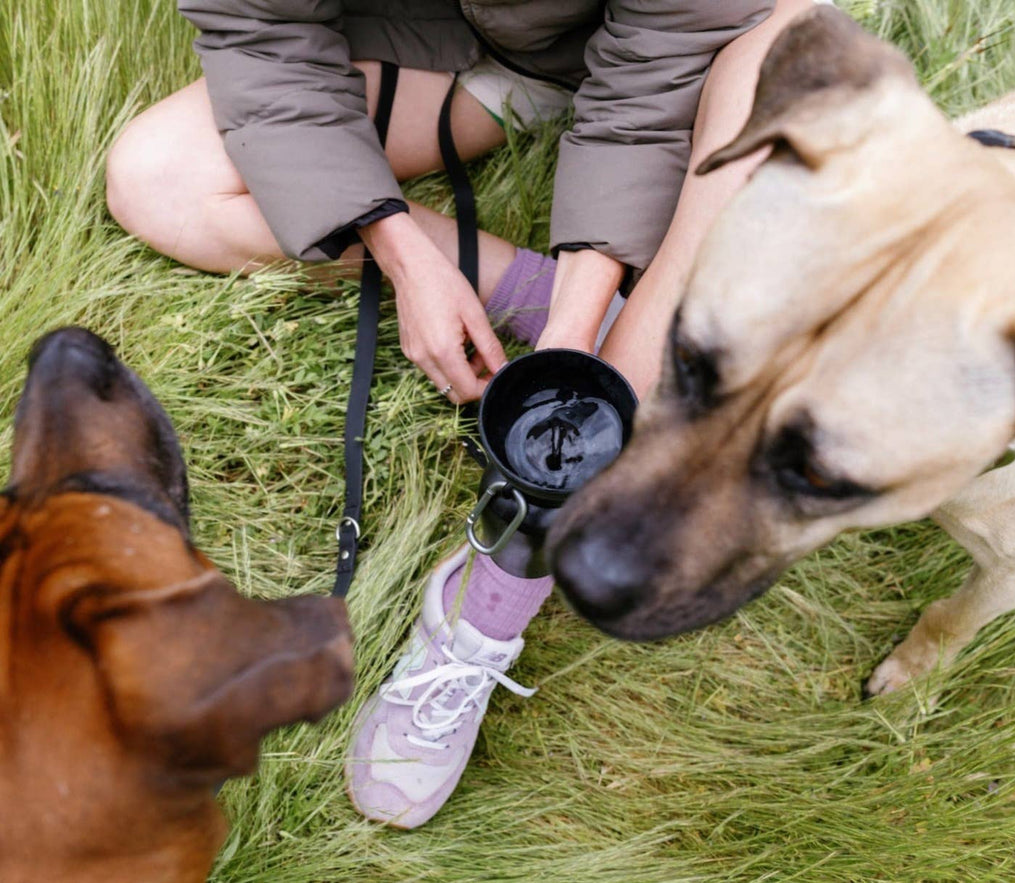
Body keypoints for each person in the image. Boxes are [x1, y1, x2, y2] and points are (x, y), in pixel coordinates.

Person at [106, 0, 815, 829]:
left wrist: (571, 336)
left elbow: (654, 73)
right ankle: (567, 306)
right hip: (461, 46)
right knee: (157, 177)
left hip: (695, 56)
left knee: (793, 53)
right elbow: (262, 31)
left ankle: (492, 602)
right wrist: (402, 254)